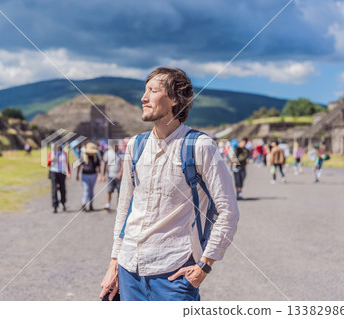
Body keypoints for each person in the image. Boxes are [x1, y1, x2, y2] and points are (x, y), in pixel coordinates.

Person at [99, 67, 239, 301]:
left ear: (175, 99)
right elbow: (125, 209)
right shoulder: (136, 145)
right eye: (145, 91)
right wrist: (114, 263)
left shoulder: (201, 146)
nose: (143, 98)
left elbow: (228, 211)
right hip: (128, 270)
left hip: (174, 274)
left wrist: (204, 266)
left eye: (153, 91)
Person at [76, 142, 101, 212]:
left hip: (93, 175)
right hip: (85, 175)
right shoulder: (83, 156)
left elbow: (98, 167)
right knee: (86, 189)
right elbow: (79, 166)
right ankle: (84, 203)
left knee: (91, 190)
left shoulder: (96, 157)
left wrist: (99, 175)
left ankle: (91, 204)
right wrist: (77, 175)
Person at [47, 144, 71, 213]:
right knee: (54, 189)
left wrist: (68, 172)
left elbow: (67, 163)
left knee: (62, 188)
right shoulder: (51, 153)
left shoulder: (64, 154)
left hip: (62, 172)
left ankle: (63, 203)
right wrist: (51, 159)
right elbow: (48, 164)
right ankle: (55, 205)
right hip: (54, 172)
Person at [103, 143, 124, 211]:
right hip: (110, 175)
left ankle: (118, 206)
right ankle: (108, 204)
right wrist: (104, 174)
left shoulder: (121, 153)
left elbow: (123, 164)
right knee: (109, 190)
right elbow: (105, 164)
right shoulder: (108, 153)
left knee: (119, 191)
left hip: (118, 176)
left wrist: (120, 173)